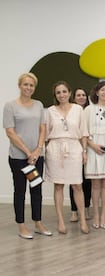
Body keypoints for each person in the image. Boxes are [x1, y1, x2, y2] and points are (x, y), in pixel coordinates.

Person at [3, 72, 52, 239]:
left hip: (36, 157)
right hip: (18, 158)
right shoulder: (10, 106)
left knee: (36, 189)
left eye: (31, 85)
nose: (28, 87)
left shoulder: (38, 105)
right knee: (20, 190)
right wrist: (27, 152)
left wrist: (38, 150)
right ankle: (22, 226)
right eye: (25, 84)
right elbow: (10, 132)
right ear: (19, 85)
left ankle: (38, 223)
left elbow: (42, 128)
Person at [44, 81, 89, 234]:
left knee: (77, 185)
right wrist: (45, 151)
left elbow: (83, 132)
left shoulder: (78, 109)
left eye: (64, 91)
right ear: (55, 95)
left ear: (70, 93)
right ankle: (61, 221)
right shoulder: (50, 111)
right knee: (58, 186)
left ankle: (82, 219)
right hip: (55, 150)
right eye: (58, 92)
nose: (61, 95)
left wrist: (84, 151)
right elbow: (45, 135)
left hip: (74, 148)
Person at [84, 81, 105, 229]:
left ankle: (104, 214)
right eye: (102, 90)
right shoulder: (89, 109)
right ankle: (96, 214)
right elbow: (83, 131)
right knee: (96, 184)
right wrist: (92, 145)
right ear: (97, 92)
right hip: (94, 149)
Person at [69, 88, 91, 222]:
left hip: (88, 151)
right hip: (73, 151)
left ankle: (86, 208)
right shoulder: (70, 112)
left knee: (86, 181)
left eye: (84, 95)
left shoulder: (89, 112)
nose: (81, 97)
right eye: (79, 95)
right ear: (74, 97)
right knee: (74, 182)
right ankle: (74, 211)